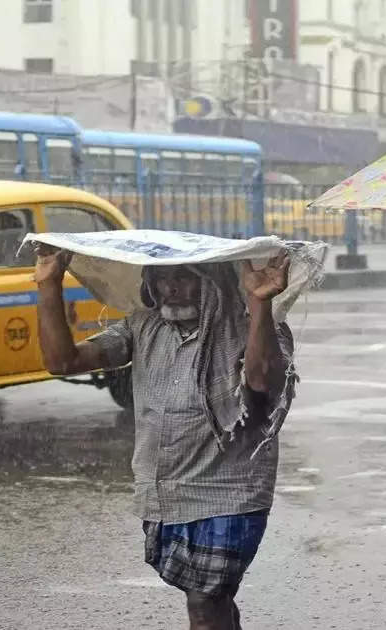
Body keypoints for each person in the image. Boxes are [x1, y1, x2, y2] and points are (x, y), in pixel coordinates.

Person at [35, 246, 296, 630]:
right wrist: (49, 284)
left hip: (230, 494)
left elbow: (262, 381)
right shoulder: (143, 326)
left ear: (214, 282)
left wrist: (260, 305)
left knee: (205, 605)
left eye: (184, 277)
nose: (170, 288)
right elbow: (64, 362)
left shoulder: (251, 325)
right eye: (161, 278)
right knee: (215, 602)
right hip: (163, 493)